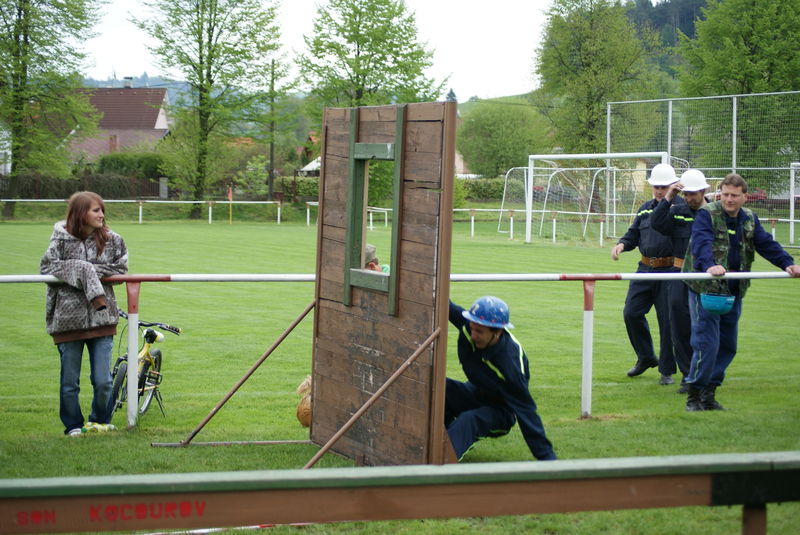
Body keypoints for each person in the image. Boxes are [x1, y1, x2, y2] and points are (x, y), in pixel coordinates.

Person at [681, 173, 800, 411]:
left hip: (733, 289)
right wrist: (709, 266)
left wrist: (788, 263)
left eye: (734, 195)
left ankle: (709, 394)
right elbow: (701, 244)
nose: (729, 199)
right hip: (705, 289)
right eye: (725, 194)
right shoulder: (707, 214)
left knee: (728, 345)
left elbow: (766, 244)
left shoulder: (749, 219)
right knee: (706, 343)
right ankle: (693, 396)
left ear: (745, 197)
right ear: (720, 194)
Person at [40, 191, 129, 436]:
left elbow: (121, 270)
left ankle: (100, 420)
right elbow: (47, 268)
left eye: (102, 210)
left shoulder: (113, 240)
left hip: (103, 317)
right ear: (81, 213)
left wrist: (88, 272)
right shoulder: (60, 240)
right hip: (67, 321)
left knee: (103, 380)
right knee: (70, 382)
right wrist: (79, 269)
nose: (102, 215)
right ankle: (73, 425)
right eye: (96, 210)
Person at [445, 296, 556, 461]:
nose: (473, 335)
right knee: (439, 387)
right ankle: (439, 440)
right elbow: (443, 303)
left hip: (501, 412)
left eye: (479, 332)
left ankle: (438, 464)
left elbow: (527, 413)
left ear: (498, 332)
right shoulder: (469, 325)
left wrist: (549, 461)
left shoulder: (510, 366)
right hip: (476, 393)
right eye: (472, 328)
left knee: (468, 420)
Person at [611, 163, 679, 383]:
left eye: (664, 187)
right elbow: (633, 234)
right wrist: (622, 244)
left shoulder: (680, 208)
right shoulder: (645, 208)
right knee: (631, 313)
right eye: (656, 186)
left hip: (669, 270)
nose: (659, 191)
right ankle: (646, 357)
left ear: (673, 186)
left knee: (666, 321)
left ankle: (666, 370)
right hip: (644, 269)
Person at [650, 169, 711, 393]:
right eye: (685, 194)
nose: (688, 198)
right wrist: (669, 196)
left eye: (692, 193)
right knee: (679, 326)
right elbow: (657, 222)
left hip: (706, 276)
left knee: (706, 327)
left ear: (703, 191)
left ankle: (705, 372)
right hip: (679, 275)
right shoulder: (677, 211)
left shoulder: (714, 212)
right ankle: (688, 374)